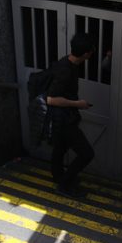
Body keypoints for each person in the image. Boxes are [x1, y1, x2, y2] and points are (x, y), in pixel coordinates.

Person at [46, 33, 96, 198]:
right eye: (91, 50)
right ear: (86, 54)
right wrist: (78, 104)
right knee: (87, 153)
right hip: (64, 120)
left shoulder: (68, 62)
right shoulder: (66, 70)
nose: (93, 52)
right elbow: (51, 99)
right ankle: (64, 185)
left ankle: (59, 177)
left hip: (64, 118)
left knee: (60, 149)